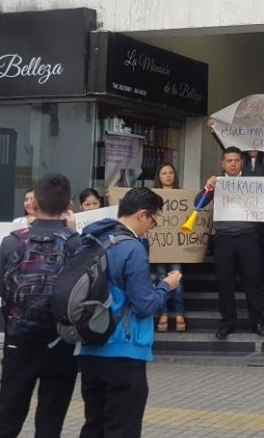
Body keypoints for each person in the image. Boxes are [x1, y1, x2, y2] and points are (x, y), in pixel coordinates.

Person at [77, 187, 181, 438]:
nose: (151, 227)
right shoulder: (132, 248)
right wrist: (166, 286)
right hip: (124, 349)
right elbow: (144, 304)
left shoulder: (88, 241)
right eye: (153, 221)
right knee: (122, 428)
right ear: (142, 214)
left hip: (89, 347)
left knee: (94, 425)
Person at [0, 173, 79, 438]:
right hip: (61, 341)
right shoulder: (76, 243)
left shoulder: (12, 241)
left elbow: (1, 288)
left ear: (34, 203)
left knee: (7, 416)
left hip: (19, 338)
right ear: (69, 205)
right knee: (51, 420)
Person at [197, 147, 264, 339]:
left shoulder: (253, 183)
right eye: (229, 161)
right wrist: (207, 188)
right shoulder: (217, 183)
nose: (233, 164)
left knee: (254, 282)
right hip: (223, 239)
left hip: (248, 237)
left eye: (236, 160)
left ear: (242, 162)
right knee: (225, 283)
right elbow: (197, 204)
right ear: (223, 163)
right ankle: (227, 323)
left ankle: (258, 322)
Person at [151, 164, 186, 333]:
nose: (168, 176)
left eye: (171, 172)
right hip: (158, 246)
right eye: (164, 173)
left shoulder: (183, 196)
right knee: (160, 277)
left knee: (176, 277)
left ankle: (179, 313)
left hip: (175, 246)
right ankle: (163, 313)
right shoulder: (152, 197)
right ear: (158, 177)